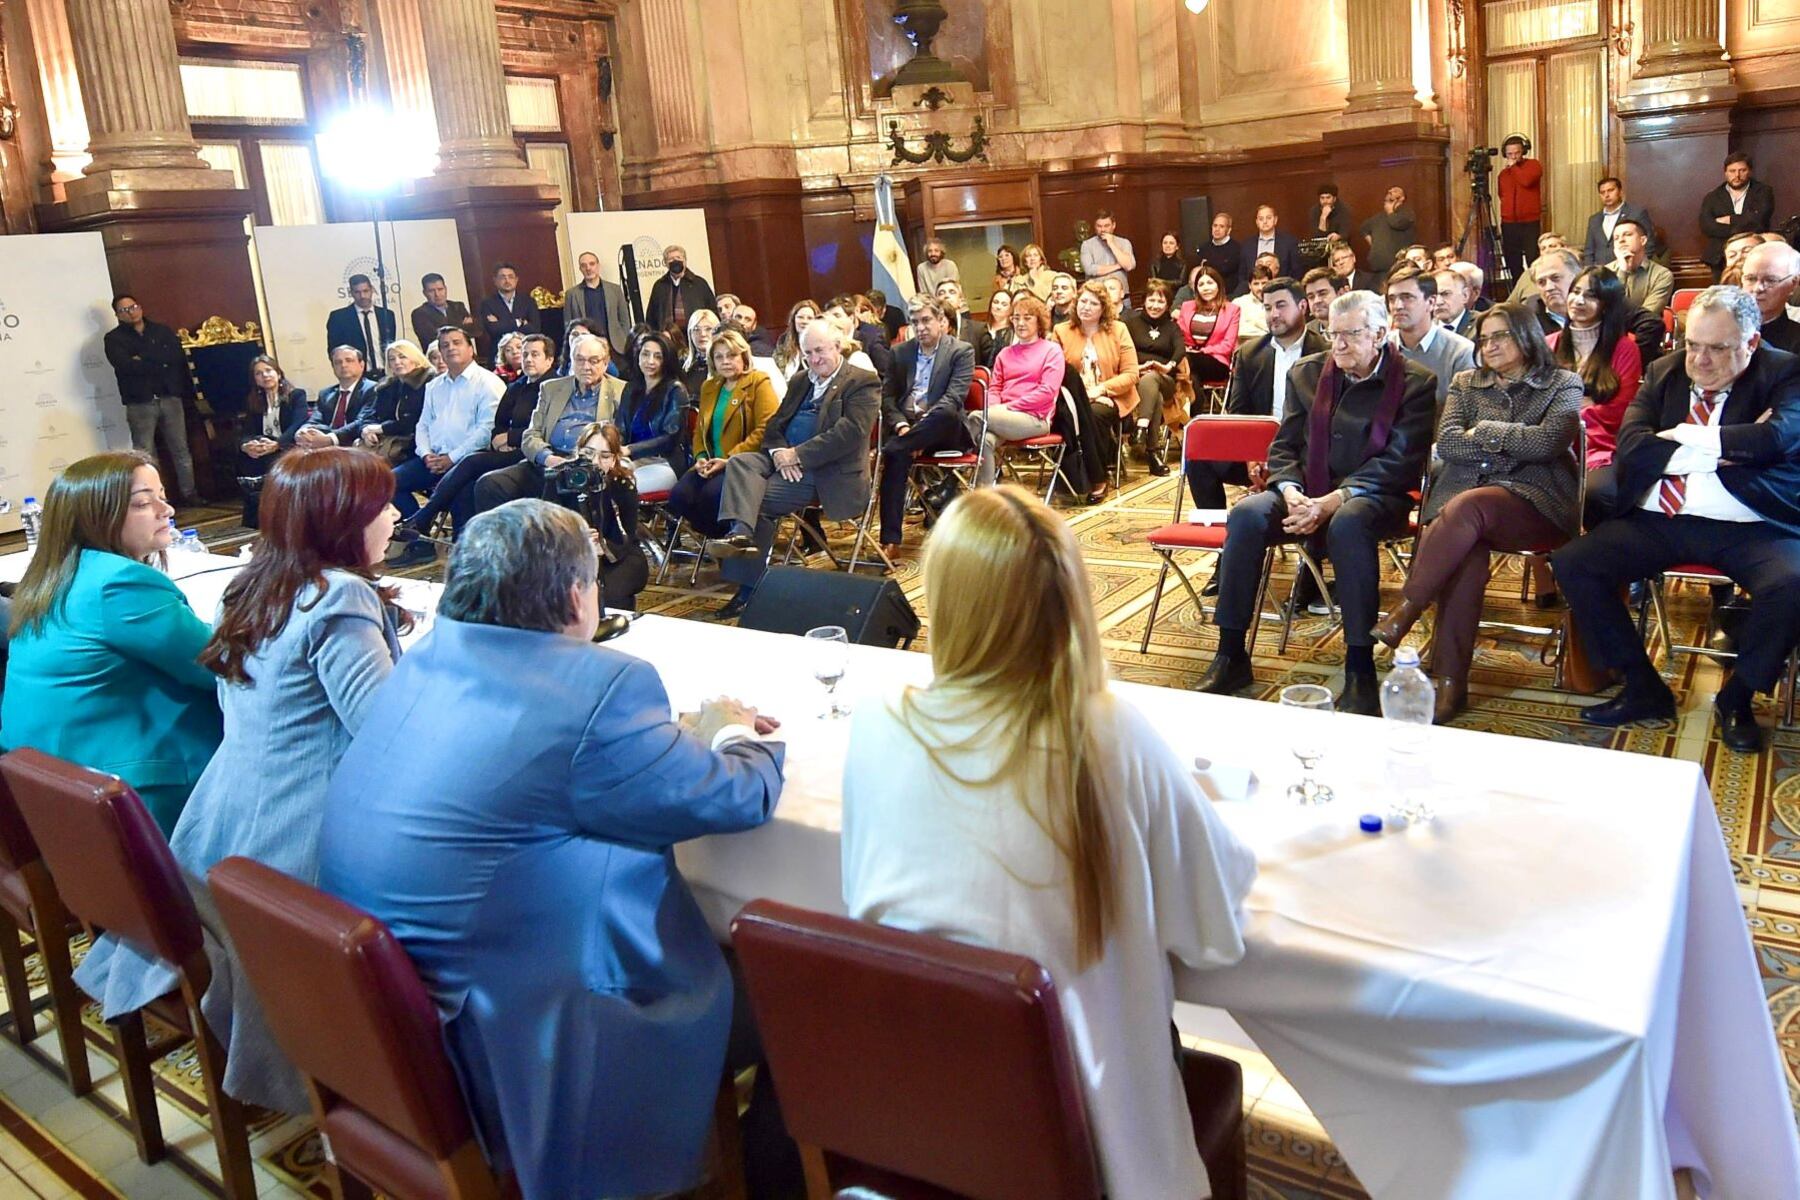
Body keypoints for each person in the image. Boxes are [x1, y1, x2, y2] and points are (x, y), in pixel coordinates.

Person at [317, 499, 787, 1200]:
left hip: (385, 1015)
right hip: (511, 1045)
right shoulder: (602, 688)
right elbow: (731, 797)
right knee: (792, 1005)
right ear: (576, 595)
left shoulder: (422, 661)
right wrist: (740, 735)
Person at [841, 484, 1255, 1200]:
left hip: (919, 1116)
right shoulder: (1107, 733)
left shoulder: (881, 723)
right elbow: (1214, 934)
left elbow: (868, 905)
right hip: (1080, 1144)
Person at [73, 447, 407, 1114]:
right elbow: (388, 738)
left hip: (223, 823)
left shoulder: (254, 583)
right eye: (382, 505)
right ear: (343, 520)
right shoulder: (338, 595)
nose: (395, 515)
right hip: (298, 835)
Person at [1552, 286, 1800, 753]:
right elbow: (1631, 449)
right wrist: (1725, 449)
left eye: (1718, 348)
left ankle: (1738, 698)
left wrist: (1681, 438)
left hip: (1752, 523)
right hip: (1662, 518)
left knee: (1792, 583)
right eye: (1693, 345)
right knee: (1574, 562)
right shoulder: (1664, 372)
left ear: (1751, 343)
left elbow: (1776, 439)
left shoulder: (1785, 371)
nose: (1701, 361)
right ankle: (1641, 684)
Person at [1195, 291, 1436, 715]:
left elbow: (1401, 461)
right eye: (1332, 333)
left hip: (1374, 495)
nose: (1338, 344)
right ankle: (1231, 653)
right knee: (1248, 515)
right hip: (1303, 490)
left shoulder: (1416, 382)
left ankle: (1359, 665)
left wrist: (1334, 499)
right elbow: (1284, 447)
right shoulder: (1308, 373)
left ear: (1380, 333)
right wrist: (1289, 491)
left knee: (1347, 522)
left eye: (1351, 335)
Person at [1371, 305, 1583, 721]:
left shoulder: (1562, 383)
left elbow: (1548, 444)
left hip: (1534, 501)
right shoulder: (1468, 383)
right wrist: (1510, 446)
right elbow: (1448, 443)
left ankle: (1408, 608)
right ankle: (1452, 683)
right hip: (1465, 504)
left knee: (1468, 508)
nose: (1490, 346)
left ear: (1527, 336)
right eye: (1484, 338)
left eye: (1500, 336)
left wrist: (1486, 433)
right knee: (1466, 548)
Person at [1, 451, 220, 835]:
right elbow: (220, 666)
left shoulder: (54, 574)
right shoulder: (118, 583)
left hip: (54, 789)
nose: (166, 509)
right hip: (128, 793)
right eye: (142, 502)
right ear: (96, 517)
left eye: (162, 494)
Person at [710, 321, 881, 617]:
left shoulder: (862, 381)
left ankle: (748, 589)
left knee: (756, 501)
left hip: (826, 471)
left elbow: (849, 433)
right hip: (784, 459)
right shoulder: (802, 379)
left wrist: (797, 455)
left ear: (837, 347)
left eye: (820, 351)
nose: (815, 359)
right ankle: (741, 533)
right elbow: (775, 424)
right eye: (808, 353)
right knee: (739, 462)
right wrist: (778, 453)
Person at [399, 333, 555, 543]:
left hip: (533, 451)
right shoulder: (516, 386)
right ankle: (425, 533)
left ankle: (425, 518)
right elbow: (498, 423)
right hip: (503, 450)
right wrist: (499, 441)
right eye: (525, 354)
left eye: (534, 355)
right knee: (390, 480)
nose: (527, 359)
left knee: (470, 465)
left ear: (550, 359)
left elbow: (545, 428)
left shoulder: (555, 386)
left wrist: (510, 437)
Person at [1186, 277, 1325, 510]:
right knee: (1200, 458)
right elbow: (1239, 413)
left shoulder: (1325, 354)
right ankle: (1221, 536)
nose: (1273, 314)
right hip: (1258, 447)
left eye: (1281, 306)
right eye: (1268, 307)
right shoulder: (1250, 353)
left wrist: (1278, 456)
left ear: (1302, 307)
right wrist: (1251, 453)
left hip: (1304, 452)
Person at [473, 333, 627, 514]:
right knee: (489, 484)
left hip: (585, 468)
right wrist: (548, 458)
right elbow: (531, 434)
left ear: (605, 363)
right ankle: (510, 541)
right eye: (580, 360)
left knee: (566, 498)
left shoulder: (621, 391)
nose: (586, 367)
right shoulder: (551, 388)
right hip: (547, 462)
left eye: (593, 361)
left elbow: (620, 438)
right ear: (571, 361)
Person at [875, 295, 976, 554]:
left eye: (926, 320)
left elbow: (953, 399)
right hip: (907, 431)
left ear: (942, 321)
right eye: (915, 321)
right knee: (899, 455)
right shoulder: (900, 353)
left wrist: (921, 431)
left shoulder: (960, 351)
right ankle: (891, 541)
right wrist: (903, 428)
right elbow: (887, 397)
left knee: (945, 415)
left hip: (944, 430)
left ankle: (899, 446)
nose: (920, 327)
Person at [1547, 266, 1643, 526]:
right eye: (1575, 292)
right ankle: (1546, 556)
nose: (1578, 301)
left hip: (1599, 444)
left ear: (1606, 304)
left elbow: (1620, 409)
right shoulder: (1549, 344)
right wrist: (1584, 405)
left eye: (1590, 296)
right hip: (1549, 442)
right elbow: (1537, 402)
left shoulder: (1625, 348)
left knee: (1598, 494)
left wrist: (1567, 411)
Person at [668, 330, 780, 539]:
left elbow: (766, 429)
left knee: (711, 496)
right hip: (710, 464)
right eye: (719, 357)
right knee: (679, 497)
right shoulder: (710, 386)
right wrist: (701, 458)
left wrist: (728, 459)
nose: (725, 361)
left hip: (741, 463)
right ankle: (716, 539)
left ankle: (726, 545)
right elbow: (699, 430)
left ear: (744, 357)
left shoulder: (758, 382)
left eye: (731, 355)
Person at [392, 327, 505, 524]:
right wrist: (426, 454)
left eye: (457, 342)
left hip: (468, 462)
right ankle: (419, 539)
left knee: (462, 501)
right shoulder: (434, 386)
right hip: (433, 460)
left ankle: (430, 529)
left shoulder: (487, 382)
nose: (450, 348)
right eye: (445, 345)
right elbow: (423, 425)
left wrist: (451, 458)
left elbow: (486, 431)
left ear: (471, 349)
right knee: (388, 483)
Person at [103, 294, 199, 504]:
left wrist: (142, 358)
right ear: (117, 315)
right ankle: (154, 497)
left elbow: (173, 358)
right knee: (145, 453)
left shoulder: (161, 331)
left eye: (134, 307)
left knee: (180, 448)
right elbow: (125, 365)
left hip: (169, 396)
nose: (131, 312)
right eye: (124, 310)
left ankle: (189, 494)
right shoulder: (114, 339)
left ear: (141, 307)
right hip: (140, 401)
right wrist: (155, 360)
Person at [1057, 281, 1139, 502]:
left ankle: (1097, 477)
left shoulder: (1118, 330)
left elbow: (1131, 374)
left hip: (1110, 397)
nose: (1086, 307)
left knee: (1092, 414)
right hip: (1072, 399)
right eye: (1082, 301)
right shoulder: (1061, 331)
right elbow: (1053, 371)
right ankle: (1075, 474)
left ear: (1103, 308)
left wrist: (1103, 389)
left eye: (1093, 303)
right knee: (1075, 413)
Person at [973, 295, 1064, 490]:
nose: (1020, 323)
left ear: (1039, 321)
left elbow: (1047, 392)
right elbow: (995, 388)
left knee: (975, 418)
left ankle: (951, 478)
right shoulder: (1005, 353)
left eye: (1027, 317)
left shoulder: (1051, 351)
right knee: (985, 439)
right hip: (1002, 416)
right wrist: (996, 407)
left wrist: (1008, 407)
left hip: (1035, 418)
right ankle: (985, 495)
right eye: (1016, 318)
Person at [561, 423, 649, 610]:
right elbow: (546, 527)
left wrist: (603, 546)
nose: (595, 462)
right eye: (589, 453)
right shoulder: (561, 479)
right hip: (570, 557)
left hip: (618, 553)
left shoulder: (623, 484)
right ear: (578, 451)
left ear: (615, 459)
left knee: (608, 591)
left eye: (605, 456)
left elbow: (628, 533)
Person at [1386, 267, 1476, 410]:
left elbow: (1466, 414)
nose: (1397, 306)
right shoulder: (1382, 348)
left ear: (1431, 302)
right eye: (1392, 299)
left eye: (1407, 297)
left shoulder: (1461, 353)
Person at [238, 355, 312, 528]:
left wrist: (277, 444)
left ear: (278, 373)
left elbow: (298, 423)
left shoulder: (296, 395)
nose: (265, 376)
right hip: (265, 447)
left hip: (287, 445)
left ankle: (281, 517)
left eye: (269, 370)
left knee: (270, 462)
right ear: (254, 379)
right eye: (259, 373)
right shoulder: (254, 401)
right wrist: (246, 446)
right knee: (246, 458)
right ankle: (257, 522)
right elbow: (247, 431)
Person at [614, 329, 691, 494]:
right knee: (602, 479)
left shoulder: (675, 390)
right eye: (645, 354)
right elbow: (620, 427)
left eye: (658, 356)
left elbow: (669, 439)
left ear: (666, 360)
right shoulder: (631, 388)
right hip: (631, 459)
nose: (650, 361)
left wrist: (630, 449)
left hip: (664, 462)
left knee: (622, 488)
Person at [1123, 280, 1180, 477]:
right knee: (1152, 392)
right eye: (1151, 300)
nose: (1155, 305)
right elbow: (1122, 351)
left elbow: (1180, 350)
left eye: (1160, 301)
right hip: (1136, 376)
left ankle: (1140, 428)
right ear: (1144, 301)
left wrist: (1167, 366)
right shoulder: (1130, 324)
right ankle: (1153, 453)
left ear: (1168, 305)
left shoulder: (1172, 327)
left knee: (1153, 379)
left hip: (1165, 379)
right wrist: (1137, 368)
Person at [356, 340, 434, 464]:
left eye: (402, 357)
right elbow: (369, 415)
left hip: (416, 446)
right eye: (392, 359)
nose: (397, 362)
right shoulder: (386, 386)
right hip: (385, 443)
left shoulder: (429, 383)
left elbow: (415, 421)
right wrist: (366, 430)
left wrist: (381, 428)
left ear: (415, 359)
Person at [1699, 152, 1777, 277]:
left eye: (1742, 170)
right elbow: (1707, 226)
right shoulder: (1712, 197)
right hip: (1720, 257)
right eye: (1732, 171)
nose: (1737, 175)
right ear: (1725, 173)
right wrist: (1743, 223)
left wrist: (1730, 219)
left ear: (1750, 171)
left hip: (1755, 254)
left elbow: (1759, 221)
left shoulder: (1763, 192)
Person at [301, 346, 380, 449]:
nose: (343, 365)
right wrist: (303, 431)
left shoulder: (374, 389)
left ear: (361, 365)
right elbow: (314, 421)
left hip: (354, 443)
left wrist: (330, 439)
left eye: (349, 360)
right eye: (338, 362)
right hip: (324, 445)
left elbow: (362, 421)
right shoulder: (325, 394)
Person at [1176, 265, 1239, 392]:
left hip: (1217, 362)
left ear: (1218, 285)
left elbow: (1227, 346)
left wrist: (1202, 351)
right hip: (1190, 360)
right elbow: (1178, 336)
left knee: (1183, 364)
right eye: (1201, 284)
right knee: (1192, 378)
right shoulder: (1187, 307)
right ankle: (1194, 411)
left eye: (1210, 283)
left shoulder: (1232, 310)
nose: (1206, 288)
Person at [325, 274, 396, 379]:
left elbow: (391, 345)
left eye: (365, 291)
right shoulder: (339, 318)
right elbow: (334, 351)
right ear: (351, 293)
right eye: (357, 292)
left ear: (372, 290)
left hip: (386, 374)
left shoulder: (386, 315)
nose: (362, 296)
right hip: (356, 376)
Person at [1498, 135, 1544, 286]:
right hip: (1509, 223)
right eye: (1510, 154)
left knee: (1532, 258)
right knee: (1512, 260)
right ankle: (1518, 288)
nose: (1513, 157)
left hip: (1530, 221)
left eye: (1516, 153)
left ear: (1523, 151)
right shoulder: (1503, 175)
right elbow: (1501, 195)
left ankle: (1535, 288)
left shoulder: (1533, 165)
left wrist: (1514, 167)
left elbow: (1526, 181)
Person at [1741, 240, 1800, 354]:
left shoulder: (1796, 342)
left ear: (1793, 284)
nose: (1758, 288)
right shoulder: (1720, 330)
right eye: (1750, 278)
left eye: (1770, 280)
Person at [1583, 177, 1655, 269]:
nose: (1606, 195)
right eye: (1602, 192)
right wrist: (1590, 271)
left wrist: (1636, 266)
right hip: (1600, 274)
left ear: (1620, 191)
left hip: (1629, 271)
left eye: (1610, 190)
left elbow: (1649, 243)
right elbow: (1589, 250)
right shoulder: (1594, 219)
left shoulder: (1636, 213)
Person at [646, 245, 717, 335]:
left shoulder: (699, 284)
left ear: (685, 261)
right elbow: (651, 316)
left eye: (678, 257)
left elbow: (712, 310)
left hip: (695, 333)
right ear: (665, 263)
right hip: (668, 336)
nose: (675, 261)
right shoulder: (659, 286)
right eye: (671, 259)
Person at [1608, 218, 1674, 316]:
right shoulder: (1605, 271)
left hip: (1645, 329)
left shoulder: (1662, 275)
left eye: (1627, 234)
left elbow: (1646, 316)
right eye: (1616, 238)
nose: (1621, 240)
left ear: (1643, 240)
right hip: (1611, 330)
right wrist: (1622, 270)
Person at [476, 262, 541, 347]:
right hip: (499, 351)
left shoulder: (528, 301)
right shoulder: (487, 303)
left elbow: (535, 329)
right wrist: (519, 322)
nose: (507, 281)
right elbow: (493, 330)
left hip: (525, 348)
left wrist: (501, 323)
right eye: (503, 277)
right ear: (495, 280)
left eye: (510, 277)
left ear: (516, 280)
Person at [409, 272, 479, 349]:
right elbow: (431, 338)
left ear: (445, 289)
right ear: (424, 293)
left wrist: (442, 329)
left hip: (464, 355)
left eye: (440, 289)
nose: (437, 294)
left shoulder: (458, 306)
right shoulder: (419, 314)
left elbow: (477, 330)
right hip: (438, 357)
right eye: (431, 291)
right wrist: (463, 326)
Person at [1359, 186, 1416, 279]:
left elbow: (1396, 223)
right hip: (1378, 268)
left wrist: (1390, 211)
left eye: (1395, 192)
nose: (1391, 192)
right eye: (1388, 195)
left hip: (1398, 268)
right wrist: (1374, 244)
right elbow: (1364, 228)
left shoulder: (1407, 213)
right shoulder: (1378, 217)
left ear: (1402, 199)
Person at [563, 250, 614, 349]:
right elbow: (568, 324)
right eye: (584, 265)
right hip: (586, 346)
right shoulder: (571, 294)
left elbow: (625, 320)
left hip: (614, 346)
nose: (588, 268)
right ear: (580, 269)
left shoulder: (615, 290)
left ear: (598, 266)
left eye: (592, 264)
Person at [935, 279, 992, 368]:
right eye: (941, 293)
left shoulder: (978, 330)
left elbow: (990, 366)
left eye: (952, 292)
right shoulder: (931, 332)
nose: (946, 296)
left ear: (961, 301)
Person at [1080, 210, 1136, 295]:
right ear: (1095, 227)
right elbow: (1090, 270)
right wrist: (1118, 266)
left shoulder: (1124, 243)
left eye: (1106, 226)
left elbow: (1129, 266)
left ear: (1113, 225)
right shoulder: (1087, 245)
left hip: (1121, 295)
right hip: (1097, 296)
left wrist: (1112, 244)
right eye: (1099, 226)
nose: (1103, 229)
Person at [1241, 205, 1301, 279]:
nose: (1265, 222)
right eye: (1261, 219)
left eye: (1268, 218)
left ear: (1275, 220)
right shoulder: (1247, 245)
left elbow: (1296, 271)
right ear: (1256, 222)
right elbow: (1242, 274)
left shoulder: (1289, 242)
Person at [773, 299, 822, 382]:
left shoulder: (821, 345)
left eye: (809, 318)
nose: (804, 321)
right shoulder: (783, 342)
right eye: (800, 317)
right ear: (793, 320)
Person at [680, 308, 721, 398]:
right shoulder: (683, 366)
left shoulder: (723, 364)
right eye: (696, 329)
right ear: (690, 334)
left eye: (708, 329)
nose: (702, 334)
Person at [1201, 212, 1244, 295]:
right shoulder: (1204, 248)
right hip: (1207, 292)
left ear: (1229, 230)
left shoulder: (1236, 248)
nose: (1217, 229)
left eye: (1221, 226)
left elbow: (1225, 269)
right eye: (1215, 225)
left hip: (1229, 293)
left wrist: (1209, 263)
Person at [1231, 261, 1275, 339]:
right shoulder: (1238, 303)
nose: (1260, 288)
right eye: (1256, 284)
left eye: (1264, 283)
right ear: (1249, 286)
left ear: (1271, 283)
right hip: (1244, 345)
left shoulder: (1278, 303)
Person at [1435, 267, 1480, 339]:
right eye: (1433, 296)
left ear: (1465, 295)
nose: (1438, 302)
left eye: (1446, 294)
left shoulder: (1481, 325)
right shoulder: (1423, 327)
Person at [1301, 266, 1343, 337]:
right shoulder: (1305, 333)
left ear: (1340, 294)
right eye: (1311, 297)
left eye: (1322, 293)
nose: (1316, 301)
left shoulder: (1358, 326)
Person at [984, 287, 1017, 366]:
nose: (998, 307)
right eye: (995, 302)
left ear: (1011, 308)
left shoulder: (1015, 332)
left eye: (1004, 304)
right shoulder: (981, 328)